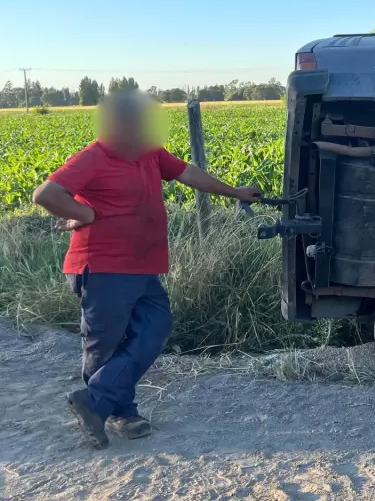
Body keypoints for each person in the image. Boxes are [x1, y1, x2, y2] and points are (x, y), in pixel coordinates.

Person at [32, 90, 261, 449]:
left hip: (141, 266)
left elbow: (188, 174)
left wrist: (235, 192)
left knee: (155, 327)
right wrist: (85, 214)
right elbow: (45, 194)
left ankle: (95, 402)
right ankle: (120, 413)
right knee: (105, 344)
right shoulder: (95, 156)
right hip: (103, 266)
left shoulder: (150, 153)